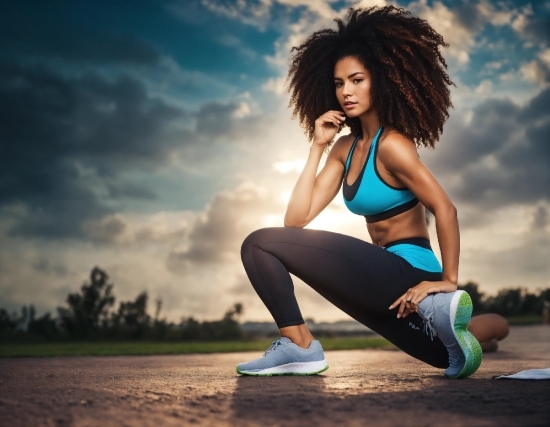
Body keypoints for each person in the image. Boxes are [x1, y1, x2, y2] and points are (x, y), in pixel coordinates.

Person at [236, 6, 483, 378]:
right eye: (339, 83)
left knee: (257, 244)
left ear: (380, 80)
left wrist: (448, 281)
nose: (346, 92)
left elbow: (446, 210)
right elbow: (296, 220)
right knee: (447, 352)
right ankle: (488, 328)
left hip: (413, 274)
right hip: (387, 289)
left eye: (356, 80)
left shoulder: (393, 145)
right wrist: (317, 146)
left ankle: (300, 347)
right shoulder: (343, 148)